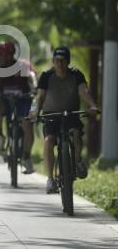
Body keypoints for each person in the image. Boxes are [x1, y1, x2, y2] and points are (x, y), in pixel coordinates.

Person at [29, 46, 98, 194]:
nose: (60, 64)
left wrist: (92, 106)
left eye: (63, 61)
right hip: (51, 116)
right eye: (57, 60)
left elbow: (84, 91)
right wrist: (35, 112)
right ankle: (50, 179)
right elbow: (40, 97)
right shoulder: (46, 76)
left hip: (71, 114)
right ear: (53, 61)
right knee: (49, 140)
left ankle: (77, 161)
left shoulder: (76, 74)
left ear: (68, 62)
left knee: (75, 134)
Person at [0, 40, 38, 174]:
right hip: (4, 101)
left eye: (0, 54)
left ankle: (27, 157)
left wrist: (34, 86)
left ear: (9, 55)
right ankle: (0, 136)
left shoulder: (22, 65)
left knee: (28, 127)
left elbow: (32, 77)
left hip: (22, 100)